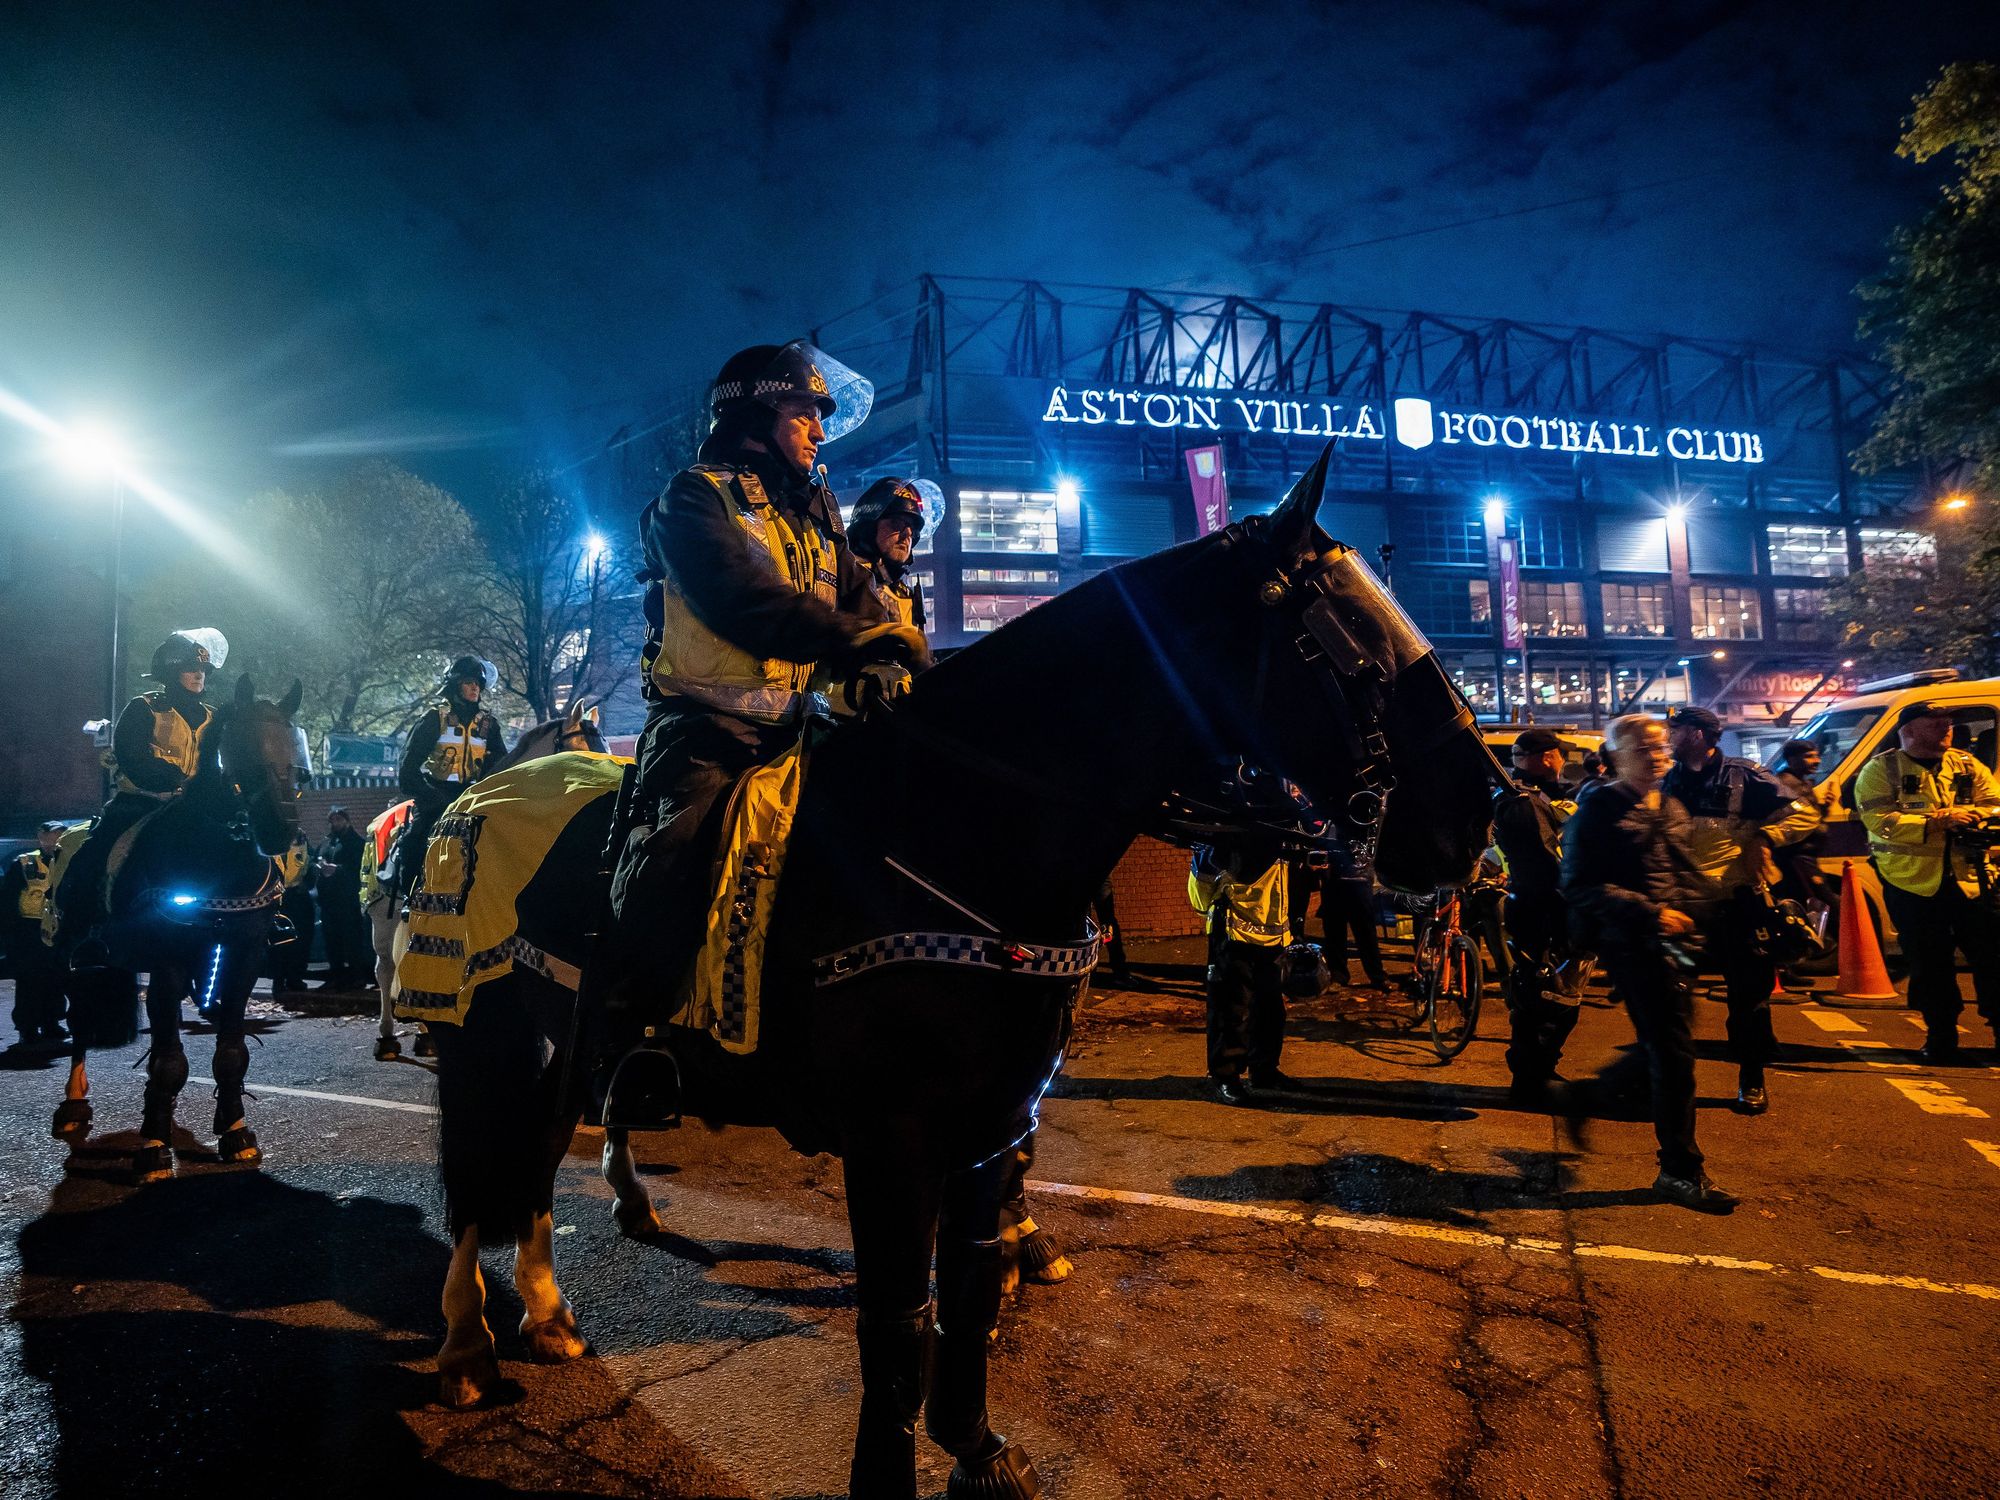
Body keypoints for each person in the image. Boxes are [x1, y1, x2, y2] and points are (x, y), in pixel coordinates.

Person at [603, 341, 924, 1118]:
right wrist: (859, 643)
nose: (819, 429)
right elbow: (738, 599)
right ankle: (630, 1039)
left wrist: (892, 662)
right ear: (756, 413)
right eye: (805, 411)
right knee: (672, 853)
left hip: (795, 735)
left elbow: (866, 609)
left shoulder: (816, 518)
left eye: (820, 414)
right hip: (703, 733)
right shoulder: (697, 498)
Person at [1562, 714, 1736, 1213]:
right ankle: (1680, 1171)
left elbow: (1681, 872)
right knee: (1675, 1058)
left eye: (1661, 746)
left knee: (1668, 1045)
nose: (1657, 755)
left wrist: (1705, 913)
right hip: (1632, 943)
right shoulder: (1598, 808)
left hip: (1676, 941)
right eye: (1642, 748)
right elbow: (1577, 885)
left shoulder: (1671, 803)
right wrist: (1652, 913)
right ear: (1615, 756)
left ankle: (1594, 1094)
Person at [1660, 706, 1818, 1114]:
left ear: (1696, 734)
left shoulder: (1745, 775)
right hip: (1681, 909)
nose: (1666, 737)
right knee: (1668, 1002)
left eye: (1673, 730)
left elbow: (1804, 818)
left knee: (1748, 1002)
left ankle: (1751, 1078)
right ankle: (1668, 1088)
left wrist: (1765, 836)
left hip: (1737, 905)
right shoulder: (1664, 780)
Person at [54, 629, 227, 942]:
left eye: (203, 669)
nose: (199, 675)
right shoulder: (143, 708)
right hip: (142, 802)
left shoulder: (214, 718)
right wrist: (178, 780)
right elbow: (134, 758)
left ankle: (260, 915)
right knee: (95, 854)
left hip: (196, 807)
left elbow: (217, 765)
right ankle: (79, 930)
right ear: (172, 672)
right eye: (191, 668)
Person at [1854, 701, 2000, 1063]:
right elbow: (1877, 819)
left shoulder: (1967, 764)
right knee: (1930, 964)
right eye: (1935, 723)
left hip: (1972, 879)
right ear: (1909, 731)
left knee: (1994, 959)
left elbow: (1995, 803)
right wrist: (1934, 823)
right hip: (1912, 885)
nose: (1946, 727)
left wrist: (1972, 816)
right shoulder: (1880, 769)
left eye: (1947, 723)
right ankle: (1940, 1037)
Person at [1493, 727, 1580, 1105]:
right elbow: (1546, 862)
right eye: (1559, 754)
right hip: (1541, 909)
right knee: (1545, 995)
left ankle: (1539, 1070)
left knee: (1554, 998)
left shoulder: (1537, 797)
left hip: (1540, 906)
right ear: (1548, 757)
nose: (1561, 761)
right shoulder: (1522, 801)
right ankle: (1531, 1080)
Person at [1189, 832, 1293, 1105]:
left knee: (1270, 1011)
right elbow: (1199, 899)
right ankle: (1226, 1078)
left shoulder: (1278, 834)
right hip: (1234, 937)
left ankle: (1264, 1070)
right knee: (1232, 1012)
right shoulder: (1222, 841)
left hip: (1272, 939)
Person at [395, 655, 508, 893]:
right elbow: (407, 771)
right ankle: (411, 895)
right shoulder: (433, 719)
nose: (475, 687)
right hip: (436, 798)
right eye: (469, 682)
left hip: (474, 798)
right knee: (415, 841)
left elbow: (502, 767)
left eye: (478, 682)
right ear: (455, 686)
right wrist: (432, 797)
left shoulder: (489, 725)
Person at [4, 821, 68, 1045]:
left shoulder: (67, 860)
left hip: (57, 927)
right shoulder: (24, 862)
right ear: (41, 836)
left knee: (55, 977)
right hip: (29, 928)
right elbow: (9, 899)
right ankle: (28, 1027)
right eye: (53, 834)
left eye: (61, 834)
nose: (57, 839)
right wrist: (11, 932)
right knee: (29, 979)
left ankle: (52, 1023)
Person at [362, 799, 415, 1059]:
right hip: (417, 896)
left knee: (385, 960)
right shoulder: (438, 811)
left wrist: (368, 903)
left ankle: (386, 1030)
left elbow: (367, 871)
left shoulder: (379, 826)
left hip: (383, 898)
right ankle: (426, 1031)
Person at [846, 477, 931, 630]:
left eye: (912, 528)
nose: (907, 534)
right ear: (868, 529)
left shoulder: (902, 592)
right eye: (896, 523)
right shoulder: (846, 580)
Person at [1316, 832, 1390, 992]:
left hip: (1359, 877)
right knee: (1335, 930)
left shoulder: (1361, 817)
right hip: (1334, 878)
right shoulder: (1331, 816)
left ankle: (1376, 975)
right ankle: (1338, 975)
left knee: (1365, 932)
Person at [315, 806, 367, 988]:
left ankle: (357, 977)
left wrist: (338, 870)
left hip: (348, 901)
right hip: (329, 901)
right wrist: (321, 866)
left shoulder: (356, 843)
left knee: (351, 940)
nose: (335, 823)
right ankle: (337, 976)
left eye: (339, 820)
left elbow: (360, 869)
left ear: (347, 820)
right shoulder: (327, 842)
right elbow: (318, 858)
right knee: (332, 941)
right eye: (333, 820)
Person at [271, 828, 316, 993]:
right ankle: (279, 980)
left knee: (301, 940)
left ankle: (294, 978)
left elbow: (310, 865)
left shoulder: (303, 843)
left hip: (298, 897)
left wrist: (308, 883)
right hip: (280, 898)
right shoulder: (275, 843)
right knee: (281, 942)